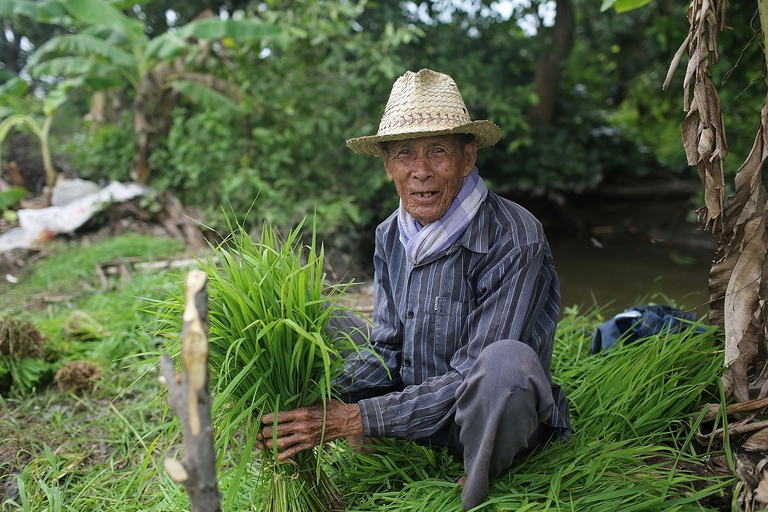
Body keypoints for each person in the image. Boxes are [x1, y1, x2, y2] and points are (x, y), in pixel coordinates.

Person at [257, 68, 570, 510]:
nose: (420, 171)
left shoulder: (515, 235)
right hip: (412, 402)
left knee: (506, 364)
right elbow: (386, 349)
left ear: (468, 157)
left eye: (438, 151)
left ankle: (479, 476)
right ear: (388, 165)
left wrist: (353, 418)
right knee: (323, 322)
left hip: (479, 419)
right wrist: (309, 402)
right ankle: (357, 431)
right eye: (405, 154)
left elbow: (470, 377)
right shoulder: (390, 234)